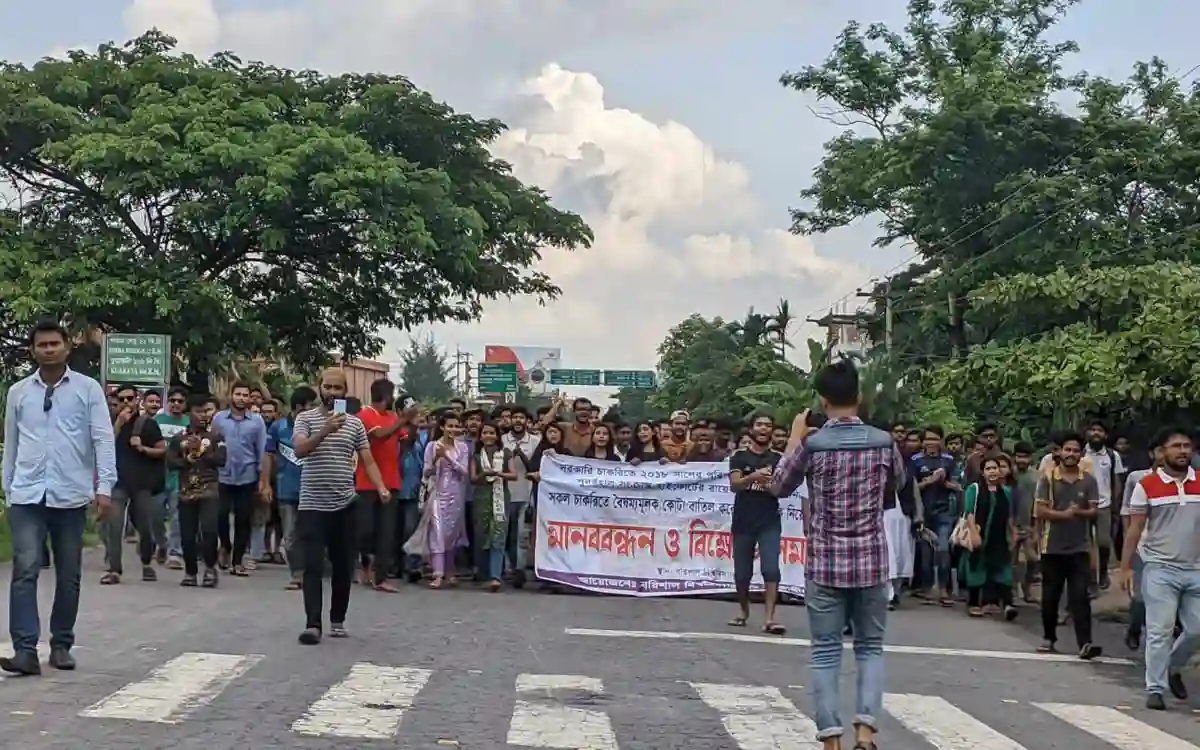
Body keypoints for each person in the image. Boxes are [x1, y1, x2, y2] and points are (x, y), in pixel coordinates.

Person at [771, 359, 901, 750]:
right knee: (870, 648)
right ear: (859, 397)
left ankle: (831, 740)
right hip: (872, 560)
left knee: (826, 652)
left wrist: (795, 438)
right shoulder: (884, 442)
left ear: (822, 402)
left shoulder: (813, 445)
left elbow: (778, 486)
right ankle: (865, 731)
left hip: (825, 562)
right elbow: (895, 488)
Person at [2, 319, 116, 675]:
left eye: (54, 343)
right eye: (41, 345)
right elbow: (12, 443)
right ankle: (24, 651)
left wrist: (104, 488)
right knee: (25, 567)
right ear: (32, 350)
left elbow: (102, 439)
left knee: (68, 573)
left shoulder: (87, 390)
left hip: (69, 495)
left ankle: (61, 644)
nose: (48, 349)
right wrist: (9, 490)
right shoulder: (19, 392)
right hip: (26, 495)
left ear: (67, 347)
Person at [292, 369, 391, 645]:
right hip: (312, 504)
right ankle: (313, 624)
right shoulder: (305, 419)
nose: (332, 392)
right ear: (319, 387)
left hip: (345, 504)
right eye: (328, 387)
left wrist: (381, 486)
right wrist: (324, 431)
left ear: (345, 392)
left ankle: (337, 619)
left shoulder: (355, 424)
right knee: (312, 565)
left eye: (338, 388)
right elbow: (300, 450)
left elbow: (368, 459)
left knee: (342, 565)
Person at [1119, 425, 1200, 710]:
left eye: (1187, 446)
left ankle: (1172, 667)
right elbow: (1135, 528)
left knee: (1196, 630)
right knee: (1159, 630)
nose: (1182, 451)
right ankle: (1155, 688)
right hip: (1159, 568)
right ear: (1161, 452)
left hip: (1196, 569)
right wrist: (1125, 566)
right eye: (1176, 446)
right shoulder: (1146, 485)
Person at [1035, 433, 1102, 659]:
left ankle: (1086, 643)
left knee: (1080, 596)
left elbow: (1094, 511)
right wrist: (1064, 515)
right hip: (1052, 546)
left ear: (1081, 454)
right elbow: (1040, 511)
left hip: (1080, 547)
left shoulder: (1089, 480)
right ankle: (1048, 637)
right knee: (1050, 595)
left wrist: (1079, 512)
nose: (1071, 454)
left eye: (1075, 450)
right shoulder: (1048, 478)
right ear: (1059, 452)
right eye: (1067, 450)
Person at [102, 384, 167, 584]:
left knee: (144, 527)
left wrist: (144, 449)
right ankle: (114, 569)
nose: (126, 403)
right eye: (121, 400)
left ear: (137, 399)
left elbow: (162, 449)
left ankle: (147, 563)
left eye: (130, 398)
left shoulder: (147, 424)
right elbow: (103, 445)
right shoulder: (110, 422)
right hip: (117, 482)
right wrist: (119, 425)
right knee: (114, 526)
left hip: (142, 483)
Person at [727, 413, 784, 634]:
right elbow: (735, 485)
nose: (763, 428)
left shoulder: (779, 458)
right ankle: (743, 611)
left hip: (769, 519)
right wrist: (754, 477)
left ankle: (770, 618)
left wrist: (771, 484)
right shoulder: (739, 456)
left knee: (770, 568)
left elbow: (781, 489)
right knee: (742, 573)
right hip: (744, 519)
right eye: (759, 424)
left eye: (768, 425)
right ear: (751, 429)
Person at [355, 379, 410, 592]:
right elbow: (378, 435)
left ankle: (381, 577)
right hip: (366, 482)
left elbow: (405, 440)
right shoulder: (364, 415)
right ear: (386, 395)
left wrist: (411, 423)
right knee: (366, 529)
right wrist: (402, 421)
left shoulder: (393, 417)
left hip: (392, 481)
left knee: (387, 532)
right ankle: (365, 561)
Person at [167, 394, 226, 588]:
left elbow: (222, 459)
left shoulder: (216, 437)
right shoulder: (178, 438)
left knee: (209, 531)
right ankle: (190, 572)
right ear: (189, 413)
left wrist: (203, 451)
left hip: (209, 490)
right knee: (187, 534)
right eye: (198, 411)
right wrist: (187, 460)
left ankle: (210, 568)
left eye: (206, 411)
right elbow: (170, 462)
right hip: (185, 492)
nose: (203, 416)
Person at [211, 382, 267, 576]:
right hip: (223, 474)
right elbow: (211, 444)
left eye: (245, 395)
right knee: (221, 514)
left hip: (247, 475)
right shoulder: (219, 419)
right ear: (231, 396)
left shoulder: (257, 421)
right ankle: (225, 546)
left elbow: (261, 449)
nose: (242, 398)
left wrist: (262, 478)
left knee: (243, 519)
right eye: (238, 394)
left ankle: (237, 561)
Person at [960, 457, 1018, 620]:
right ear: (983, 472)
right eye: (989, 468)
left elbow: (1010, 516)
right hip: (980, 533)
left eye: (995, 468)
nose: (992, 471)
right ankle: (973, 603)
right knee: (977, 569)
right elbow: (969, 513)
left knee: (1004, 571)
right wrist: (974, 533)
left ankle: (1008, 605)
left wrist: (1013, 533)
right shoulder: (975, 489)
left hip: (999, 537)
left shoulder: (1006, 491)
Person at [422, 411, 471, 589]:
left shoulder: (463, 447)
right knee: (437, 531)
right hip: (437, 493)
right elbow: (426, 471)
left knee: (452, 532)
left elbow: (465, 472)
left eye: (456, 426)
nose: (453, 429)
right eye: (449, 425)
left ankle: (450, 570)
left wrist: (448, 457)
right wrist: (437, 457)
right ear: (442, 427)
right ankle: (437, 574)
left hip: (456, 493)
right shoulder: (432, 446)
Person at [470, 422, 518, 591]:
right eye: (485, 433)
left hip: (500, 497)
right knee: (482, 536)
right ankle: (483, 572)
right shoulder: (476, 455)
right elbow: (473, 478)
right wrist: (485, 473)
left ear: (497, 435)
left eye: (492, 432)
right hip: (482, 498)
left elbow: (514, 475)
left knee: (498, 535)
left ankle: (495, 576)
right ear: (480, 436)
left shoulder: (505, 453)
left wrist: (499, 474)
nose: (488, 436)